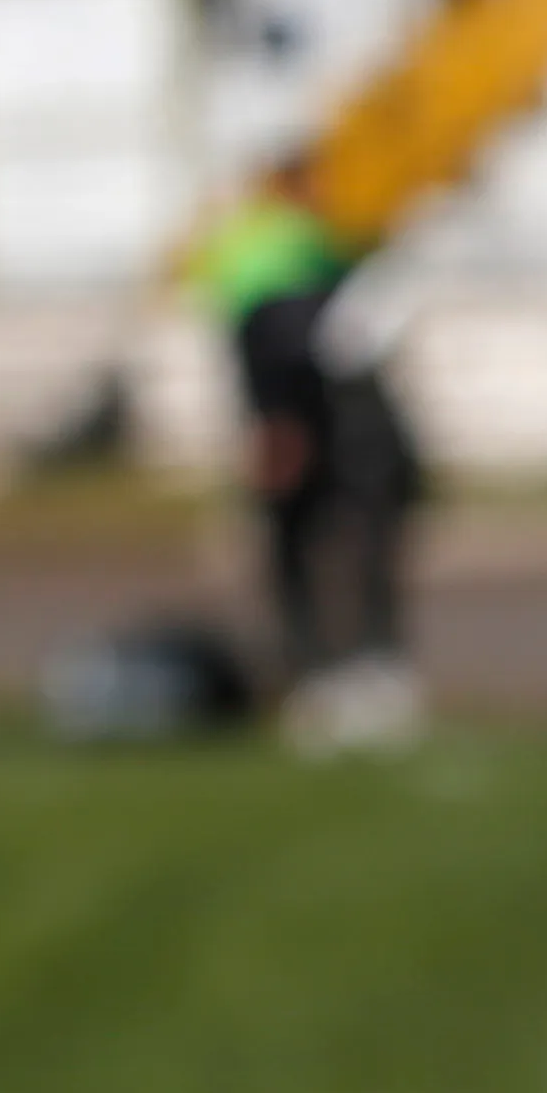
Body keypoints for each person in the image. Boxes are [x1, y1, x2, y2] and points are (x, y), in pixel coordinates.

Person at [191, 155, 425, 746]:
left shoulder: (244, 244)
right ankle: (336, 671)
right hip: (304, 420)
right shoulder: (291, 249)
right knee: (320, 548)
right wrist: (279, 426)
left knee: (303, 552)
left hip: (298, 417)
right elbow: (275, 348)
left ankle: (324, 671)